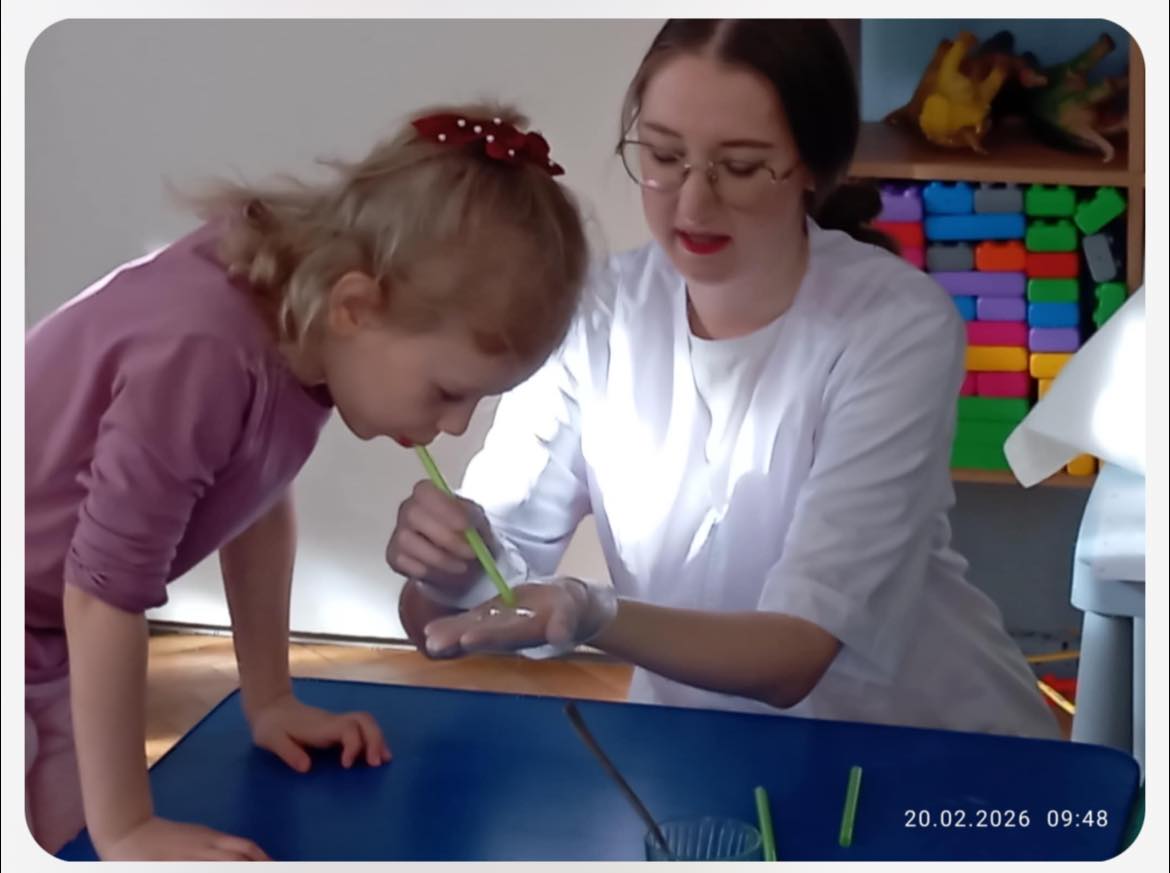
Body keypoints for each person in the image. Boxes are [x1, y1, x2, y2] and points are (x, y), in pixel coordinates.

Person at [387, 21, 1060, 740]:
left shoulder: (894, 324)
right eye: (664, 157)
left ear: (812, 165)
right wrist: (449, 572)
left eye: (739, 167)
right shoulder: (596, 313)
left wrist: (593, 612)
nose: (692, 205)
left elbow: (794, 654)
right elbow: (457, 612)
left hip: (922, 742)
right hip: (697, 747)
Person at [25, 103, 589, 860]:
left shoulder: (307, 328)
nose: (457, 426)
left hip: (47, 624)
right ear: (357, 306)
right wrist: (128, 827)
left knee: (63, 831)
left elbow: (252, 499)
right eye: (450, 391)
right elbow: (102, 593)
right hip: (56, 607)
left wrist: (270, 699)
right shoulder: (203, 351)